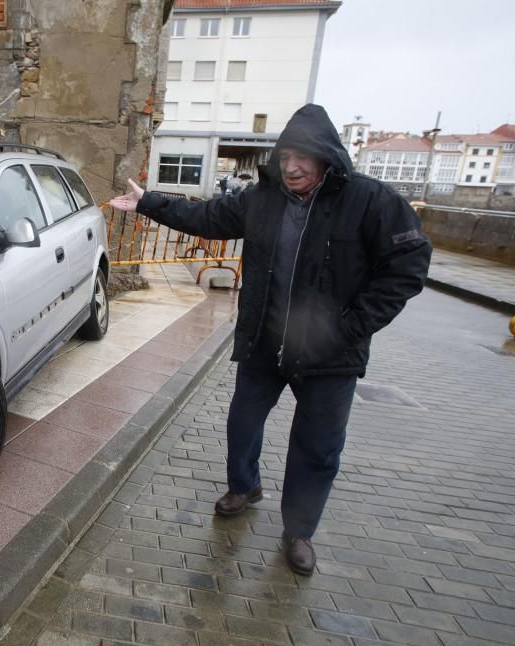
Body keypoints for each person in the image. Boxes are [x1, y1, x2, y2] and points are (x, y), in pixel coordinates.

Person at [110, 104, 431, 575]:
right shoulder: (262, 199)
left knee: (317, 447)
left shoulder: (371, 202)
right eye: (286, 157)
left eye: (305, 157)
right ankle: (245, 486)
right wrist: (148, 203)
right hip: (265, 343)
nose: (293, 167)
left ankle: (298, 531)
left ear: (329, 158)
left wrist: (350, 326)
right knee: (242, 423)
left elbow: (407, 267)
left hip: (330, 356)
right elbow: (207, 218)